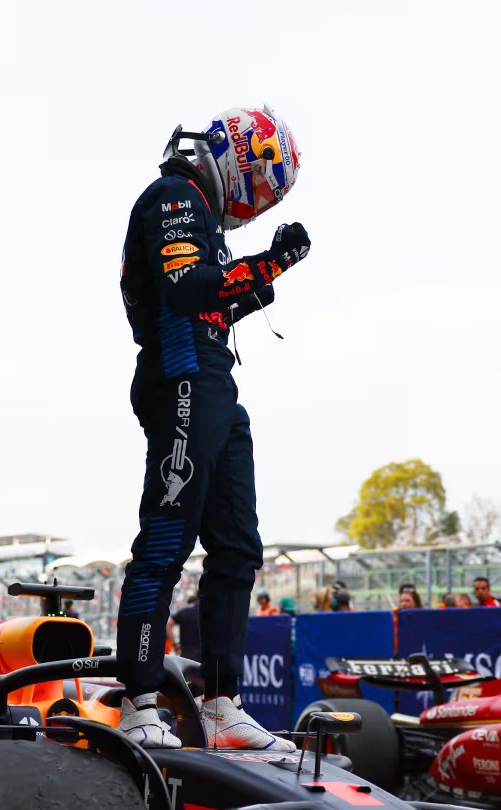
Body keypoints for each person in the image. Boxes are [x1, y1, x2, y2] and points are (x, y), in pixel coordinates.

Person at [115, 106, 307, 751]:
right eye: (262, 189)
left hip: (215, 383)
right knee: (167, 540)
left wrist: (264, 280)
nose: (256, 207)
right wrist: (270, 264)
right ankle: (141, 702)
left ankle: (222, 703)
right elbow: (188, 290)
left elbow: (212, 302)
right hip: (182, 382)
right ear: (241, 162)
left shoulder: (198, 208)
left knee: (238, 548)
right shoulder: (174, 196)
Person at [168, 593, 202, 662]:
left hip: (187, 653)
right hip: (205, 654)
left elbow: (168, 625)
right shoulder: (211, 613)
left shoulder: (184, 612)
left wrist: (175, 645)